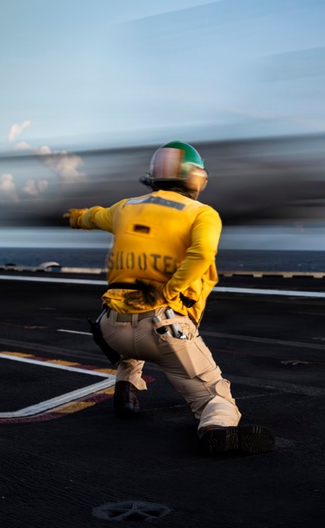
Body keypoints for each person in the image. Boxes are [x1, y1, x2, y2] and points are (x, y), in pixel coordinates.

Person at [65, 140, 275, 455]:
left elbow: (91, 216)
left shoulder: (125, 207)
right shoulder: (202, 213)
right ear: (194, 177)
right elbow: (203, 253)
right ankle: (216, 428)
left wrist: (73, 216)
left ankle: (127, 382)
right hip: (164, 329)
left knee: (130, 334)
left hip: (111, 328)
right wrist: (169, 291)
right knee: (216, 398)